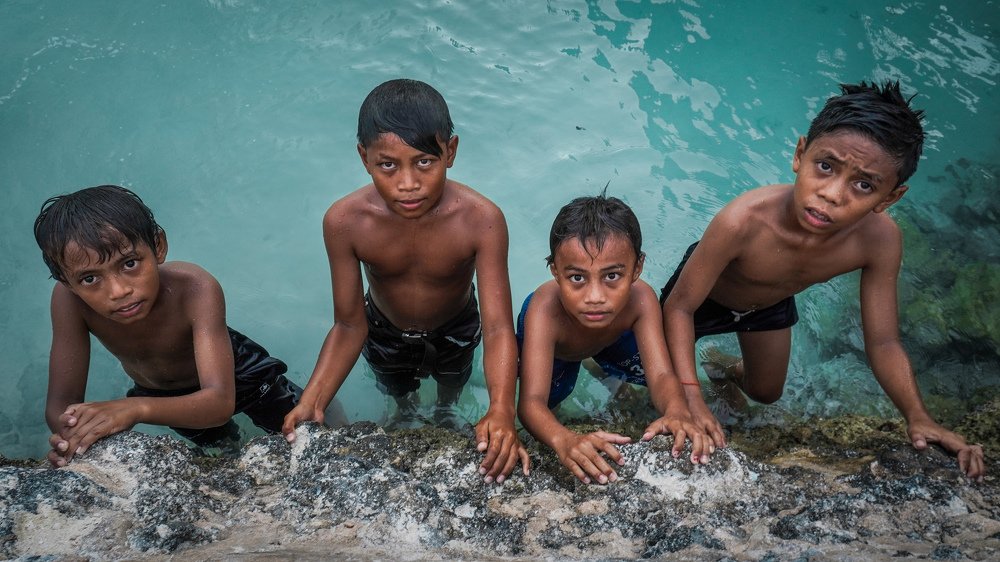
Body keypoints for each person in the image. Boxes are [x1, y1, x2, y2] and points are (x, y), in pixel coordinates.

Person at [660, 81, 985, 480]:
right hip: (703, 295)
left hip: (769, 303)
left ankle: (719, 366)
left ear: (888, 199)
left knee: (766, 392)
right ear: (800, 155)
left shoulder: (879, 239)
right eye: (826, 166)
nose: (831, 194)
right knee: (652, 379)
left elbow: (883, 341)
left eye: (863, 184)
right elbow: (680, 306)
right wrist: (691, 397)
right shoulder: (742, 221)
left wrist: (919, 416)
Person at [281, 78, 529, 484]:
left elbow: (498, 326)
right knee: (395, 385)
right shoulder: (345, 222)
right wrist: (314, 399)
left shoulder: (481, 220)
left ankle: (446, 409)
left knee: (453, 380)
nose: (408, 183)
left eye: (424, 162)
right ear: (364, 157)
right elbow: (348, 325)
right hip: (383, 327)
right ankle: (404, 410)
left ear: (450, 151)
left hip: (457, 323)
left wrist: (501, 408)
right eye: (388, 164)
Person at [34, 185, 302, 467]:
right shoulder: (69, 302)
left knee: (302, 432)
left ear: (158, 246)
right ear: (67, 282)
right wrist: (73, 434)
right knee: (225, 453)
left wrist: (133, 408)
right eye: (89, 279)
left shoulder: (194, 288)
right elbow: (60, 406)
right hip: (165, 396)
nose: (118, 290)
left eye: (129, 263)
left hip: (240, 375)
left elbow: (220, 403)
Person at [516, 193, 709, 485]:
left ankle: (597, 364)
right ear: (555, 271)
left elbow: (660, 375)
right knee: (553, 401)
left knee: (643, 377)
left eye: (612, 276)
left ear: (637, 268)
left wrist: (677, 411)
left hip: (614, 337)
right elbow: (531, 402)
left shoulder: (641, 299)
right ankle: (589, 364)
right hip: (561, 351)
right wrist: (563, 439)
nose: (595, 297)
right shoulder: (544, 311)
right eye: (578, 278)